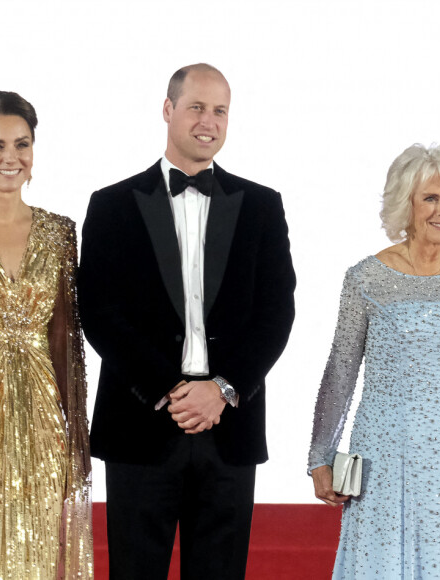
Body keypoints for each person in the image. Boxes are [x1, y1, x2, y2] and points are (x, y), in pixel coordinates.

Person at [78, 63, 296, 579]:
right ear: (168, 109)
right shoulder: (111, 205)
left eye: (220, 110)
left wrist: (220, 388)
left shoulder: (263, 206)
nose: (209, 121)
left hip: (230, 425)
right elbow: (100, 312)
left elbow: (277, 311)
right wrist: (170, 389)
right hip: (142, 423)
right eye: (197, 106)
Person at [309, 143, 440, 579]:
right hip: (387, 455)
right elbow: (341, 372)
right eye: (431, 198)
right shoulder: (365, 277)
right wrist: (320, 456)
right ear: (405, 203)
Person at [0, 91, 93, 579]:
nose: (12, 158)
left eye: (22, 144)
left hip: (41, 418)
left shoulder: (59, 233)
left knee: (35, 549)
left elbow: (65, 340)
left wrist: (75, 437)